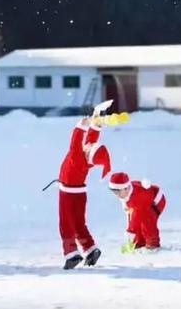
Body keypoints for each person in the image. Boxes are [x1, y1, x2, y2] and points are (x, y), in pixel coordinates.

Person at [58, 114, 112, 270]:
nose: (87, 144)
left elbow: (75, 141)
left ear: (89, 153)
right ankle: (90, 249)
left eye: (90, 147)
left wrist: (81, 125)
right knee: (79, 224)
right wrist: (96, 124)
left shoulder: (77, 155)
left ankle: (72, 254)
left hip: (67, 194)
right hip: (80, 194)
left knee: (66, 225)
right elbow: (91, 140)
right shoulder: (87, 157)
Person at [108, 172, 166, 252]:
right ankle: (139, 242)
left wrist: (130, 232)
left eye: (118, 191)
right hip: (142, 203)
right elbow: (131, 215)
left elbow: (136, 217)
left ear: (126, 188)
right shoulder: (126, 194)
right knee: (135, 219)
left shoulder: (137, 197)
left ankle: (152, 243)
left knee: (146, 220)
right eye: (114, 191)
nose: (116, 194)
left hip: (155, 201)